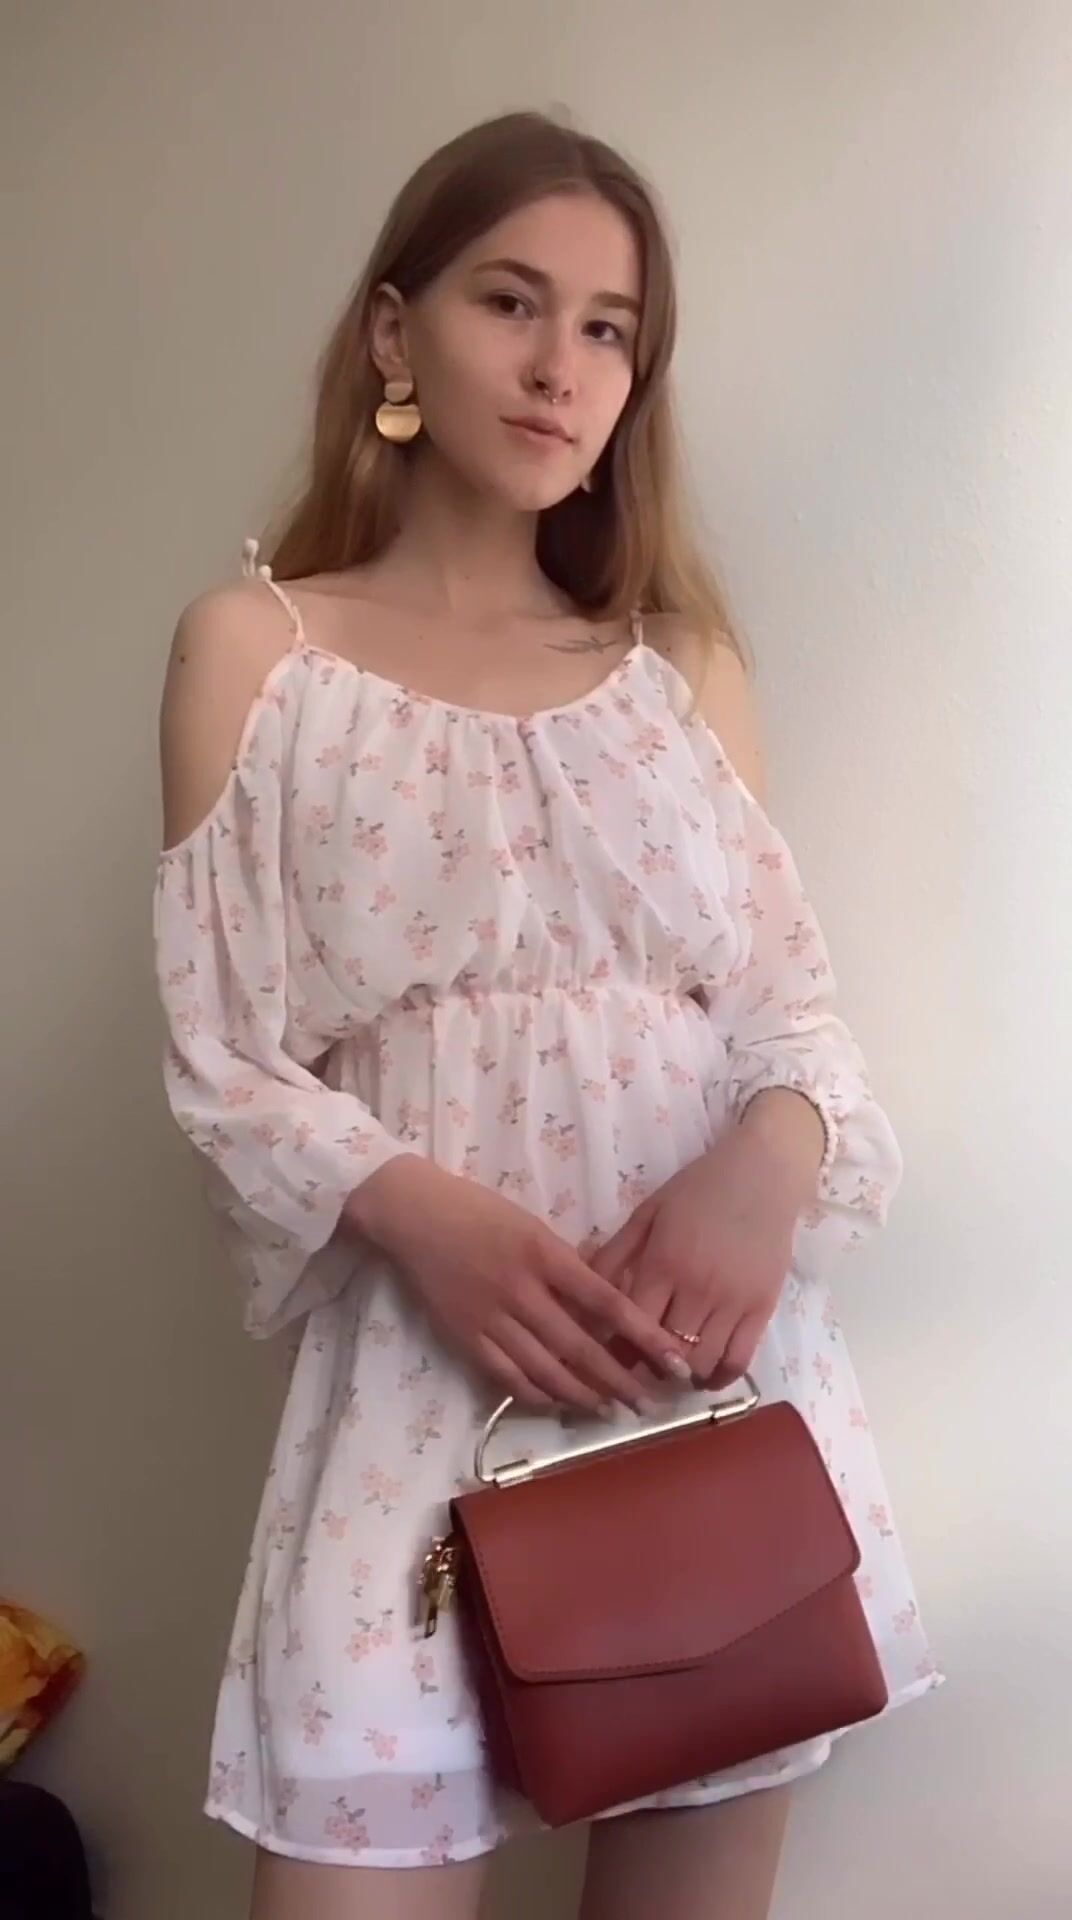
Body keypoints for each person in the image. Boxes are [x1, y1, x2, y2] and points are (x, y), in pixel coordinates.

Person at [152, 110, 942, 1920]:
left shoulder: (679, 671)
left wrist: (768, 1165)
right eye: (511, 301)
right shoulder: (256, 654)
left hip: (706, 1398)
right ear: (393, 330)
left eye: (608, 330)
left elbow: (793, 1022)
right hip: (417, 1400)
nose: (560, 366)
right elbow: (224, 1059)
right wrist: (419, 1211)